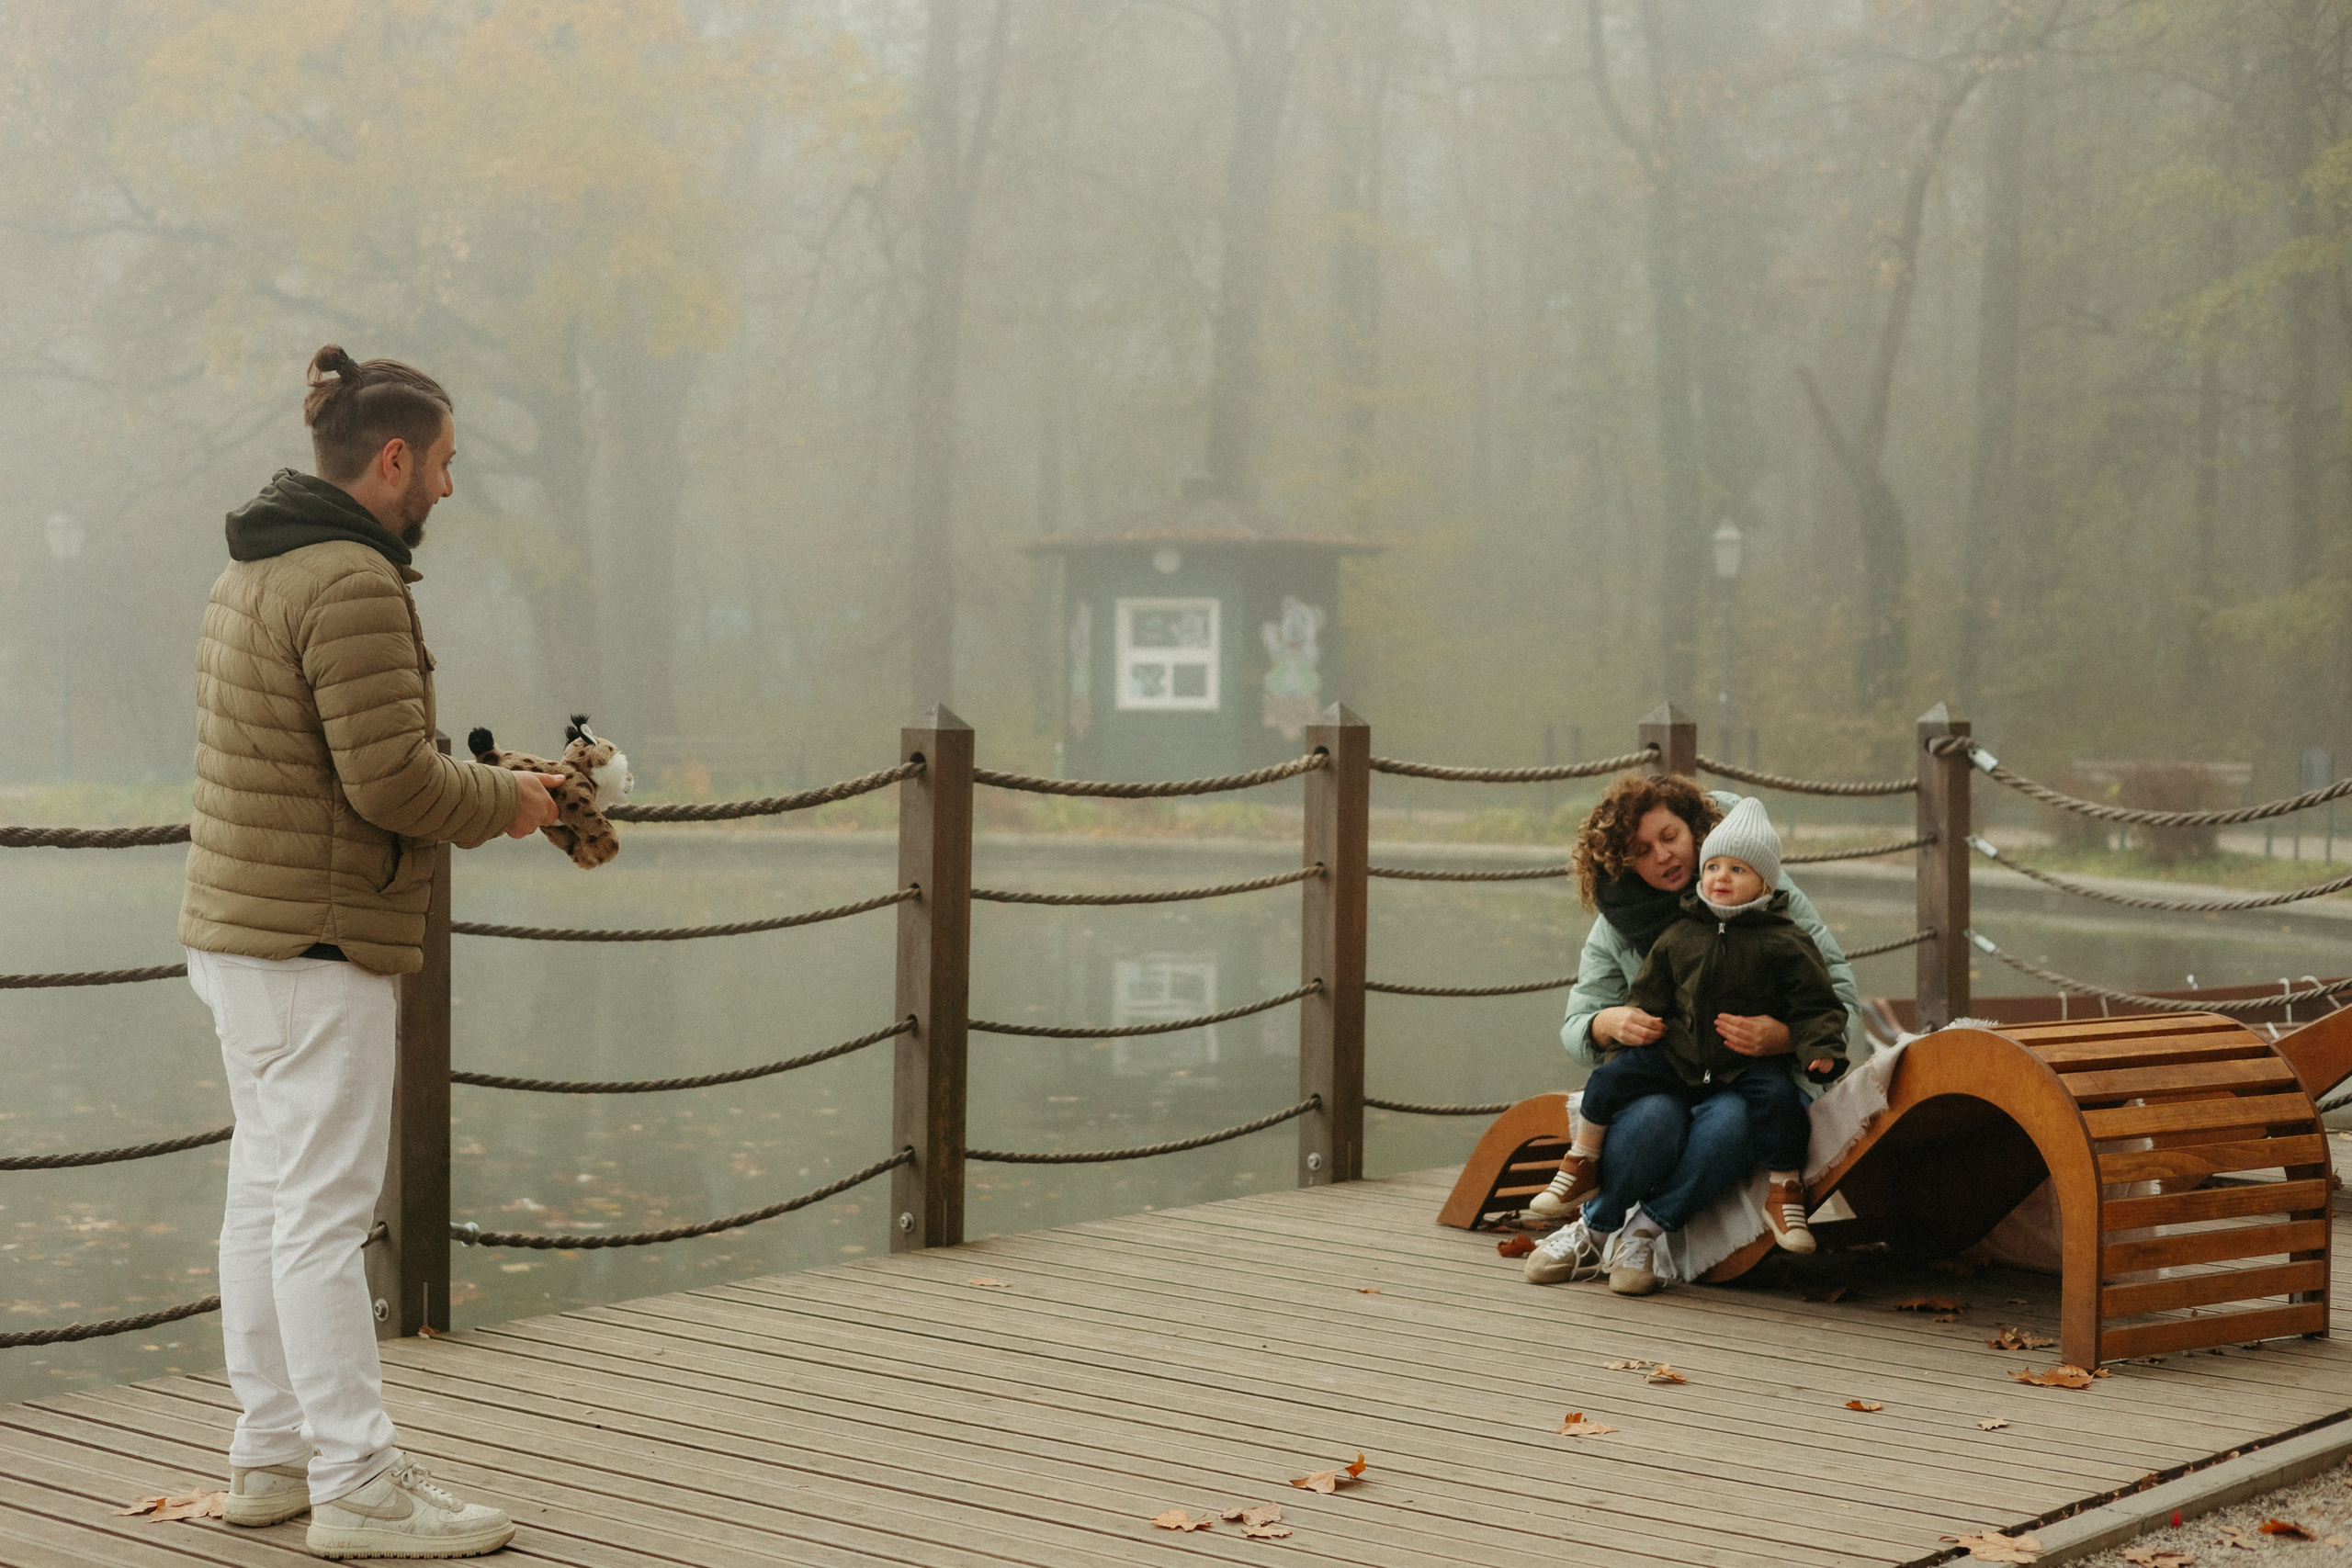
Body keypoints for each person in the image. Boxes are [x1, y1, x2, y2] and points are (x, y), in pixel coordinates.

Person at [180, 345, 565, 1560]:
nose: (450, 488)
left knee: (266, 1201)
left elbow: (337, 761)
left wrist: (488, 780)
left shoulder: (256, 568)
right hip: (317, 938)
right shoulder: (350, 579)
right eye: (445, 463)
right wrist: (514, 800)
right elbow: (392, 780)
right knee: (324, 1215)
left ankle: (273, 1454)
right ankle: (359, 1485)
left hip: (246, 932)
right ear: (392, 457)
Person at [1521, 773, 1862, 1295]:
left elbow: (1838, 998)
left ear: (1696, 830)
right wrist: (1605, 1023)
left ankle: (1642, 1231)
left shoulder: (1766, 894)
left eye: (1670, 836)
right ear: (1622, 861)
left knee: (1730, 1122)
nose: (1662, 856)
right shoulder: (1618, 921)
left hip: (1743, 1076)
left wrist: (1784, 1036)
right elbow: (1576, 1025)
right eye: (1641, 849)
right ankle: (1594, 1226)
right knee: (1655, 1117)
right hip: (1666, 1071)